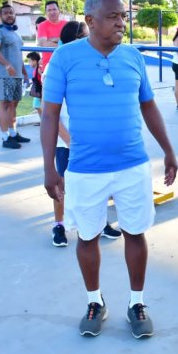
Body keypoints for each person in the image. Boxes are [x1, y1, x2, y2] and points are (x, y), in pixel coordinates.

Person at [41, 0, 177, 338]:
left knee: (135, 231)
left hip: (132, 166)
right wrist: (49, 168)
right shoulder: (64, 58)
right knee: (86, 236)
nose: (121, 22)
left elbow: (148, 106)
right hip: (86, 169)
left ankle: (136, 302)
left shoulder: (132, 57)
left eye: (123, 16)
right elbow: (50, 115)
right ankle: (94, 301)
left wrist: (168, 150)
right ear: (90, 21)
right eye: (114, 16)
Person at [48, 19, 122, 247]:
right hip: (68, 144)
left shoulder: (97, 65)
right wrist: (71, 142)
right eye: (85, 35)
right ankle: (59, 226)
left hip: (95, 143)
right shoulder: (59, 65)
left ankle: (98, 223)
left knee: (98, 183)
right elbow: (49, 113)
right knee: (63, 185)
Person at [0, 4, 30, 149]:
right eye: (5, 13)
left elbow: (18, 55)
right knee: (5, 104)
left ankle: (13, 133)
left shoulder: (15, 33)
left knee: (14, 104)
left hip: (17, 75)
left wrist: (24, 73)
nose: (9, 15)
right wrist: (7, 65)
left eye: (11, 13)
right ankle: (5, 137)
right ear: (1, 16)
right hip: (4, 75)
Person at [37, 0, 67, 72]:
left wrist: (52, 39)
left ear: (59, 10)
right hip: (49, 66)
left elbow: (72, 42)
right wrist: (62, 42)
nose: (52, 12)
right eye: (49, 10)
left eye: (54, 9)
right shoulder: (42, 25)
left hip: (65, 65)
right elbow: (43, 44)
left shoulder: (67, 24)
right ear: (46, 12)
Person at [27, 51, 43, 117]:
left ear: (35, 61)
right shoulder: (35, 69)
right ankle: (42, 120)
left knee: (38, 106)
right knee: (37, 106)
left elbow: (43, 79)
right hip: (38, 91)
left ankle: (43, 120)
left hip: (40, 91)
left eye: (30, 61)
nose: (29, 63)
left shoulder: (39, 69)